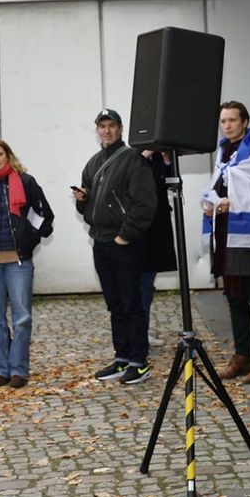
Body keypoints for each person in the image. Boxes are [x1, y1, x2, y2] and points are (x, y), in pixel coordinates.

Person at [73, 108, 156, 385]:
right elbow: (87, 209)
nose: (106, 131)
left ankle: (139, 361)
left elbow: (145, 204)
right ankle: (122, 357)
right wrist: (83, 200)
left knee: (132, 302)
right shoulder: (94, 163)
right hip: (101, 242)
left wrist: (124, 236)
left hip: (124, 243)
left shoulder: (133, 159)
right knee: (115, 303)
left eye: (111, 126)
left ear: (120, 129)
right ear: (97, 130)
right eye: (102, 126)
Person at [203, 102, 250, 385]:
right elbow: (219, 185)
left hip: (249, 236)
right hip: (225, 234)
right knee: (234, 298)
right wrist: (210, 204)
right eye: (223, 121)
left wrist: (230, 203)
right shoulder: (223, 151)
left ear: (245, 122)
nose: (227, 126)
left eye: (232, 120)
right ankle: (242, 355)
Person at [0, 138, 53, 389]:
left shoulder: (25, 182)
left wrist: (30, 238)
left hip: (18, 261)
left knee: (22, 317)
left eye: (0, 154)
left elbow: (44, 216)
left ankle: (18, 370)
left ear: (8, 155)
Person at [135, 149, 177, 348]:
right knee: (137, 284)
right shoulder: (133, 157)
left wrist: (168, 159)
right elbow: (129, 180)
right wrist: (144, 155)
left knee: (147, 283)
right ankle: (136, 333)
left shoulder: (162, 158)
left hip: (157, 229)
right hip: (138, 230)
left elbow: (174, 184)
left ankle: (142, 331)